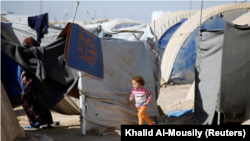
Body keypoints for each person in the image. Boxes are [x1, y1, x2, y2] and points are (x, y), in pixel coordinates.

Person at [21, 37, 54, 130]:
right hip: (39, 80)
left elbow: (33, 66)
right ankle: (46, 121)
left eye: (25, 46)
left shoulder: (33, 52)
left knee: (25, 100)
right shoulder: (39, 52)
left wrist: (26, 74)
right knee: (39, 99)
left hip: (34, 80)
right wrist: (25, 74)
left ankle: (34, 122)